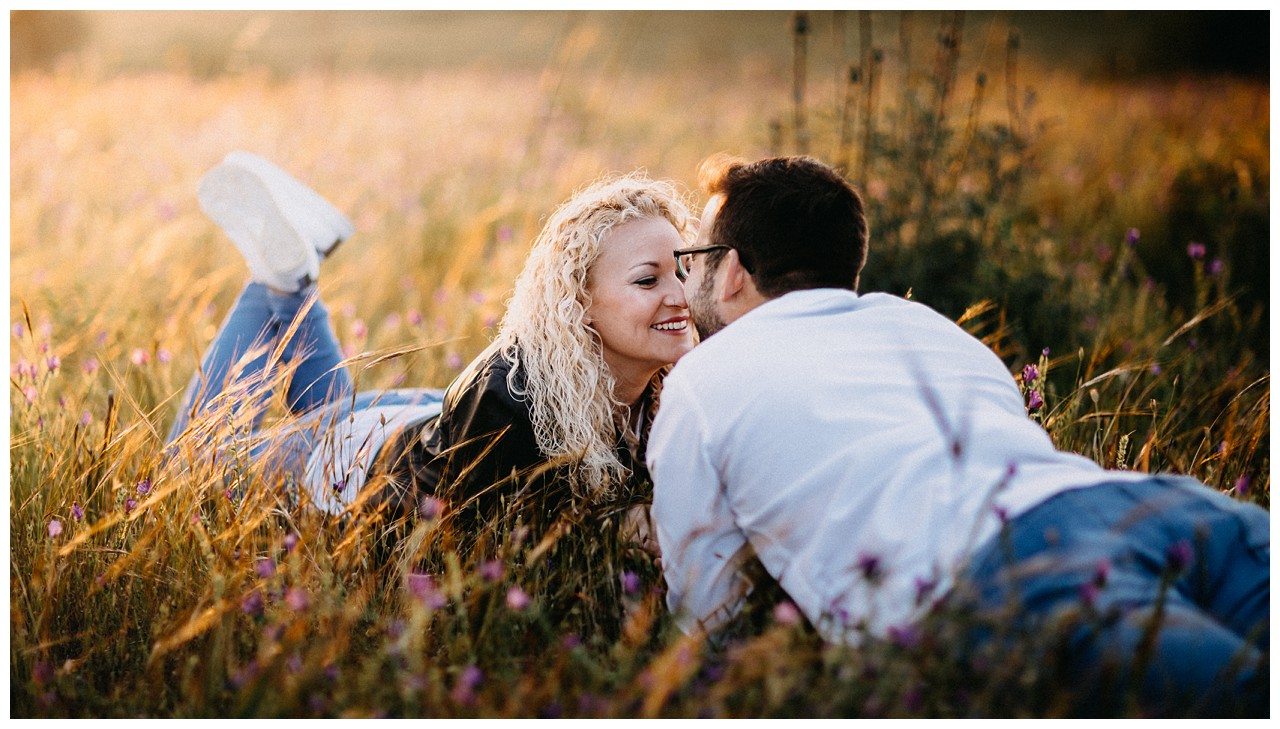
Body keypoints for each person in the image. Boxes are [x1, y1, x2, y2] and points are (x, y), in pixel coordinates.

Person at [647, 154, 1269, 716]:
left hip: (1015, 580)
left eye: (694, 260)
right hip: (1156, 506)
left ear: (731, 272)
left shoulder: (701, 382)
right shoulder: (930, 327)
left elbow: (708, 623)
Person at [167, 151, 695, 556]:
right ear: (579, 304)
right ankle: (281, 282)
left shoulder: (683, 383)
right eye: (648, 280)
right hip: (358, 462)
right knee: (181, 474)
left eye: (685, 271)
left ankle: (294, 286)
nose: (679, 294)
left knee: (335, 419)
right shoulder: (515, 407)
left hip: (418, 423)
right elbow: (489, 549)